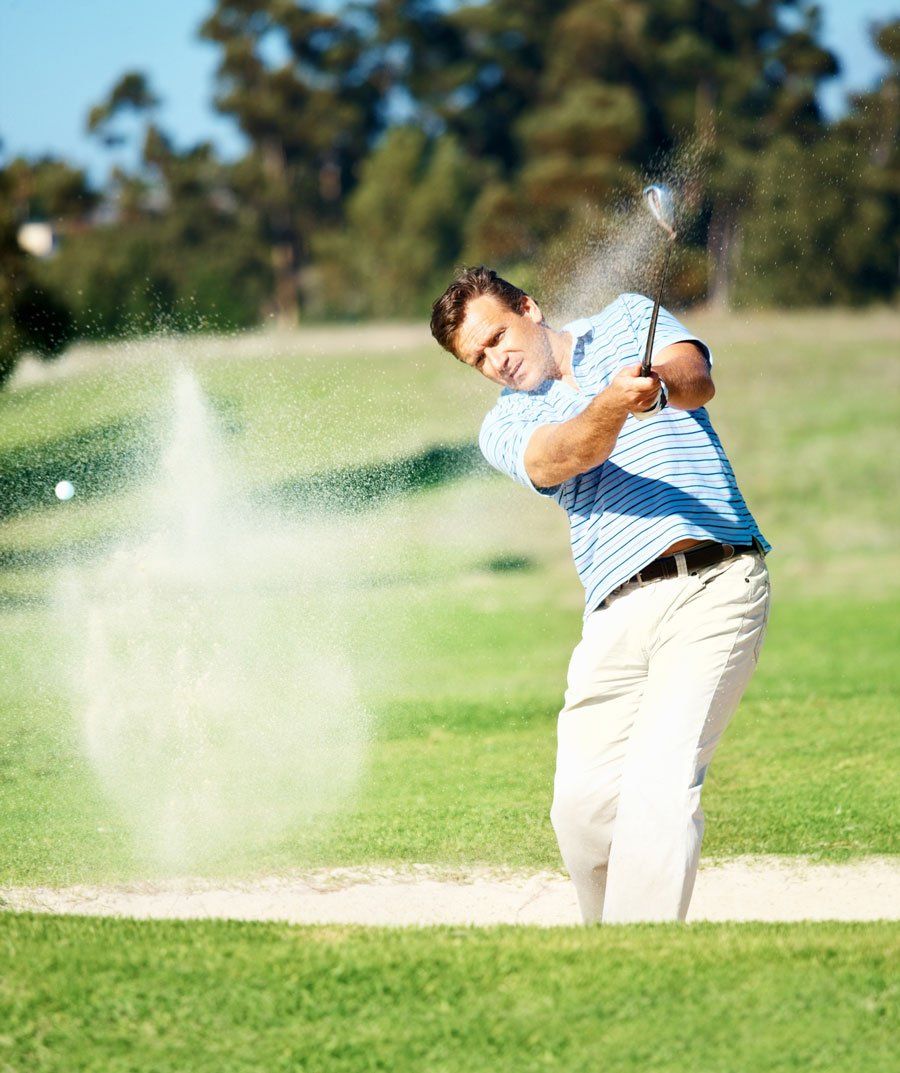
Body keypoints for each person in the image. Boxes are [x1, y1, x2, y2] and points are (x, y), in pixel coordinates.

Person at [429, 266, 771, 924]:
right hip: (616, 610)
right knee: (582, 809)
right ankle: (608, 949)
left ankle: (642, 959)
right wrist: (616, 403)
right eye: (478, 358)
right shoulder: (502, 426)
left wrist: (657, 387)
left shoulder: (624, 320)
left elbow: (697, 379)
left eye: (497, 336)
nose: (496, 360)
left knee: (659, 783)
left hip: (717, 582)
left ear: (528, 306)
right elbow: (562, 455)